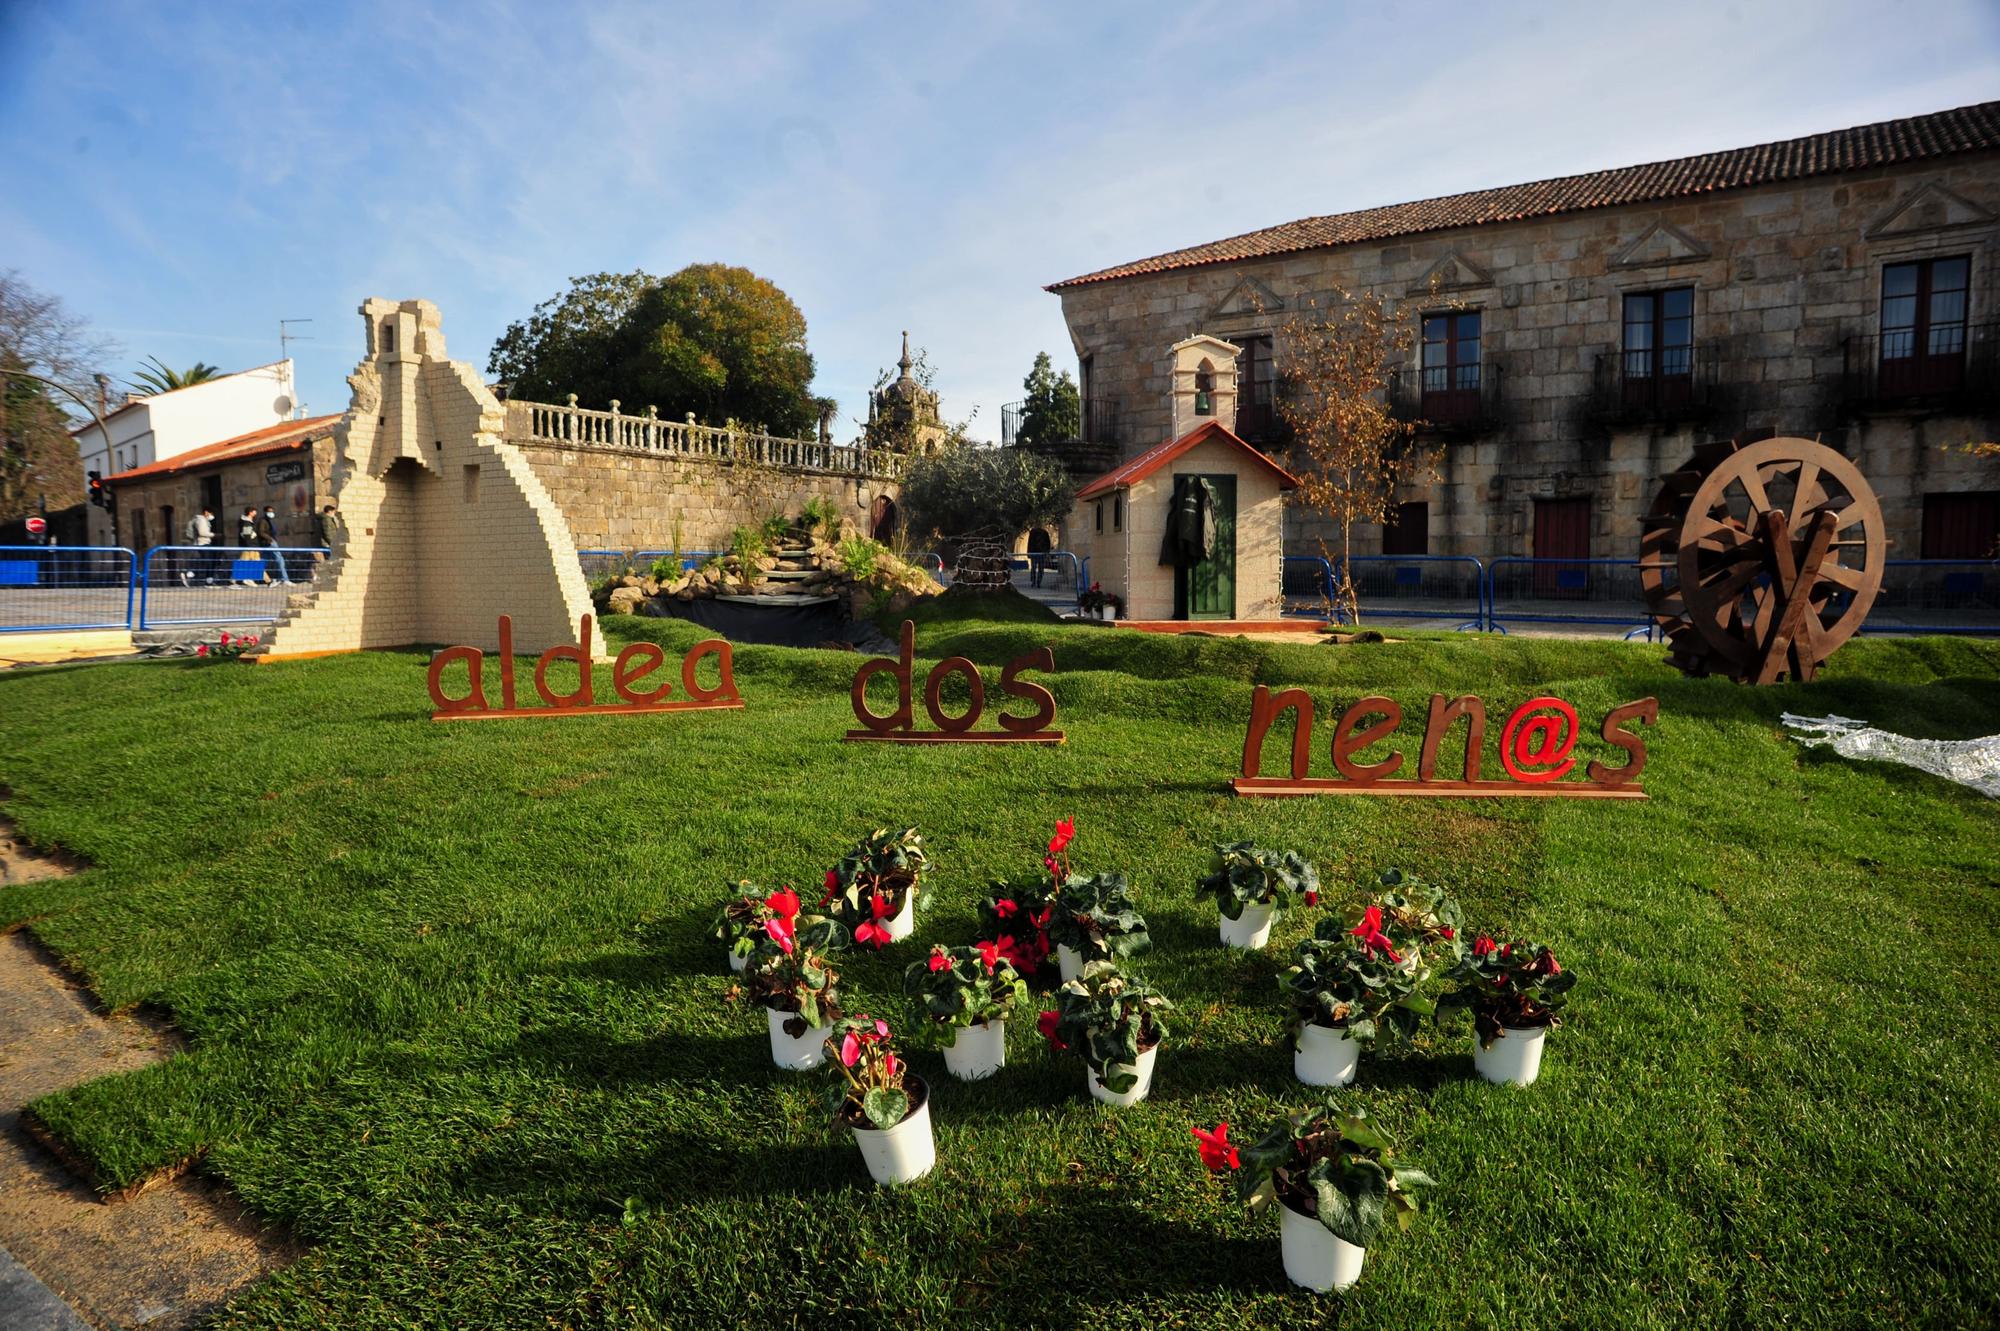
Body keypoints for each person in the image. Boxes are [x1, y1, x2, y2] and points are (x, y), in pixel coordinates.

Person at [258, 504, 294, 583]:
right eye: (269, 511)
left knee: (264, 561)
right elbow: (261, 532)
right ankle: (285, 579)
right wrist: (270, 539)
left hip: (268, 543)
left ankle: (255, 576)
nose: (271, 513)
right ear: (265, 512)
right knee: (280, 559)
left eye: (272, 511)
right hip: (269, 543)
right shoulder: (263, 521)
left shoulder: (269, 521)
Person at [185, 506, 216, 585]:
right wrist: (214, 535)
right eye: (211, 513)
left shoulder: (204, 520)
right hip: (202, 543)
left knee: (208, 562)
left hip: (204, 543)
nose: (212, 516)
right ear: (206, 512)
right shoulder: (201, 520)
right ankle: (189, 575)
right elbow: (202, 532)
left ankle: (208, 580)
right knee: (206, 562)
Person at [235, 507, 262, 585]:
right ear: (250, 512)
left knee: (245, 562)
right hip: (250, 546)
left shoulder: (249, 521)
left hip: (251, 545)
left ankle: (235, 580)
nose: (255, 513)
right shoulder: (247, 522)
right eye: (254, 511)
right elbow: (247, 535)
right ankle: (243, 579)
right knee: (249, 562)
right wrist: (249, 546)